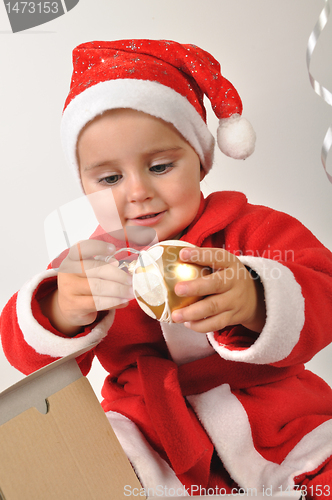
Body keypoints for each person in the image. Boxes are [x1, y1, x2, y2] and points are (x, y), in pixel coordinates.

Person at [1, 39, 332, 499]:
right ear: (84, 185)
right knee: (79, 476)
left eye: (159, 166)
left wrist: (255, 297)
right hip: (149, 433)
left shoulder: (251, 229)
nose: (136, 192)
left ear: (200, 161)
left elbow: (324, 292)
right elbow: (32, 362)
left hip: (277, 420)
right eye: (110, 179)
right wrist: (59, 308)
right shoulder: (89, 260)